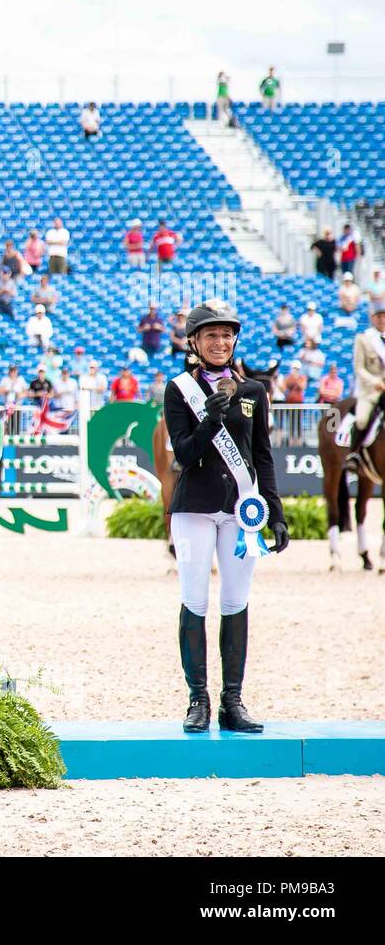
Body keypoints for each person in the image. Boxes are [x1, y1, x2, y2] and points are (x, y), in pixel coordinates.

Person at [163, 299, 288, 735]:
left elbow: (261, 455)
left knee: (236, 601)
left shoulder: (253, 391)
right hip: (195, 507)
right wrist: (210, 419)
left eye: (227, 335)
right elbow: (183, 452)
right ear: (195, 342)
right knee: (195, 599)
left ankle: (232, 701)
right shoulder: (178, 389)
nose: (221, 342)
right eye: (212, 335)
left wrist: (275, 510)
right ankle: (198, 699)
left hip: (241, 509)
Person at [346, 303, 385, 474]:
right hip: (371, 391)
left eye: (384, 316)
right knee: (361, 419)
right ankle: (354, 455)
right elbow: (359, 368)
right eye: (379, 316)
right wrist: (375, 381)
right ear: (373, 318)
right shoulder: (363, 339)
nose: (382, 320)